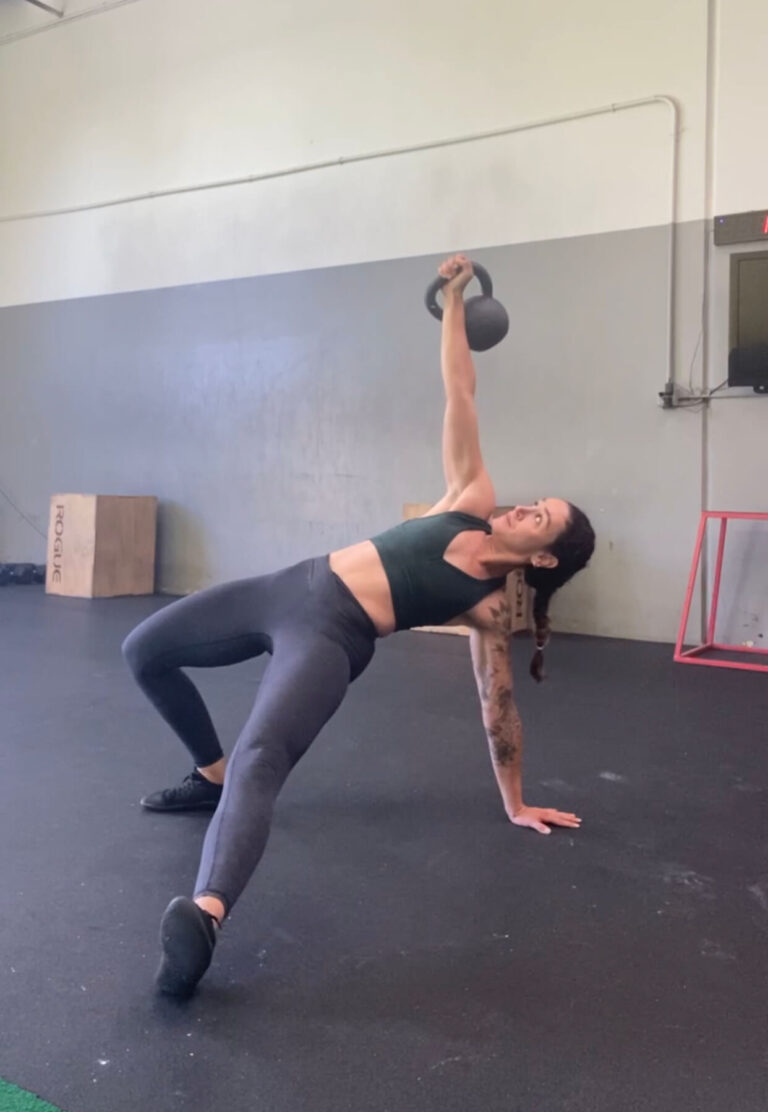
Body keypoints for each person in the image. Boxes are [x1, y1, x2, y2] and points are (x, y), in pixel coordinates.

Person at [122, 254, 596, 998]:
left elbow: (496, 703)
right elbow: (459, 388)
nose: (527, 508)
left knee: (263, 757)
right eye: (537, 501)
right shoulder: (470, 494)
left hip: (332, 638)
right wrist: (452, 298)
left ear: (541, 559)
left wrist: (515, 801)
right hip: (291, 585)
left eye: (543, 519)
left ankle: (205, 915)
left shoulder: (488, 606)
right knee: (144, 649)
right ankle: (205, 775)